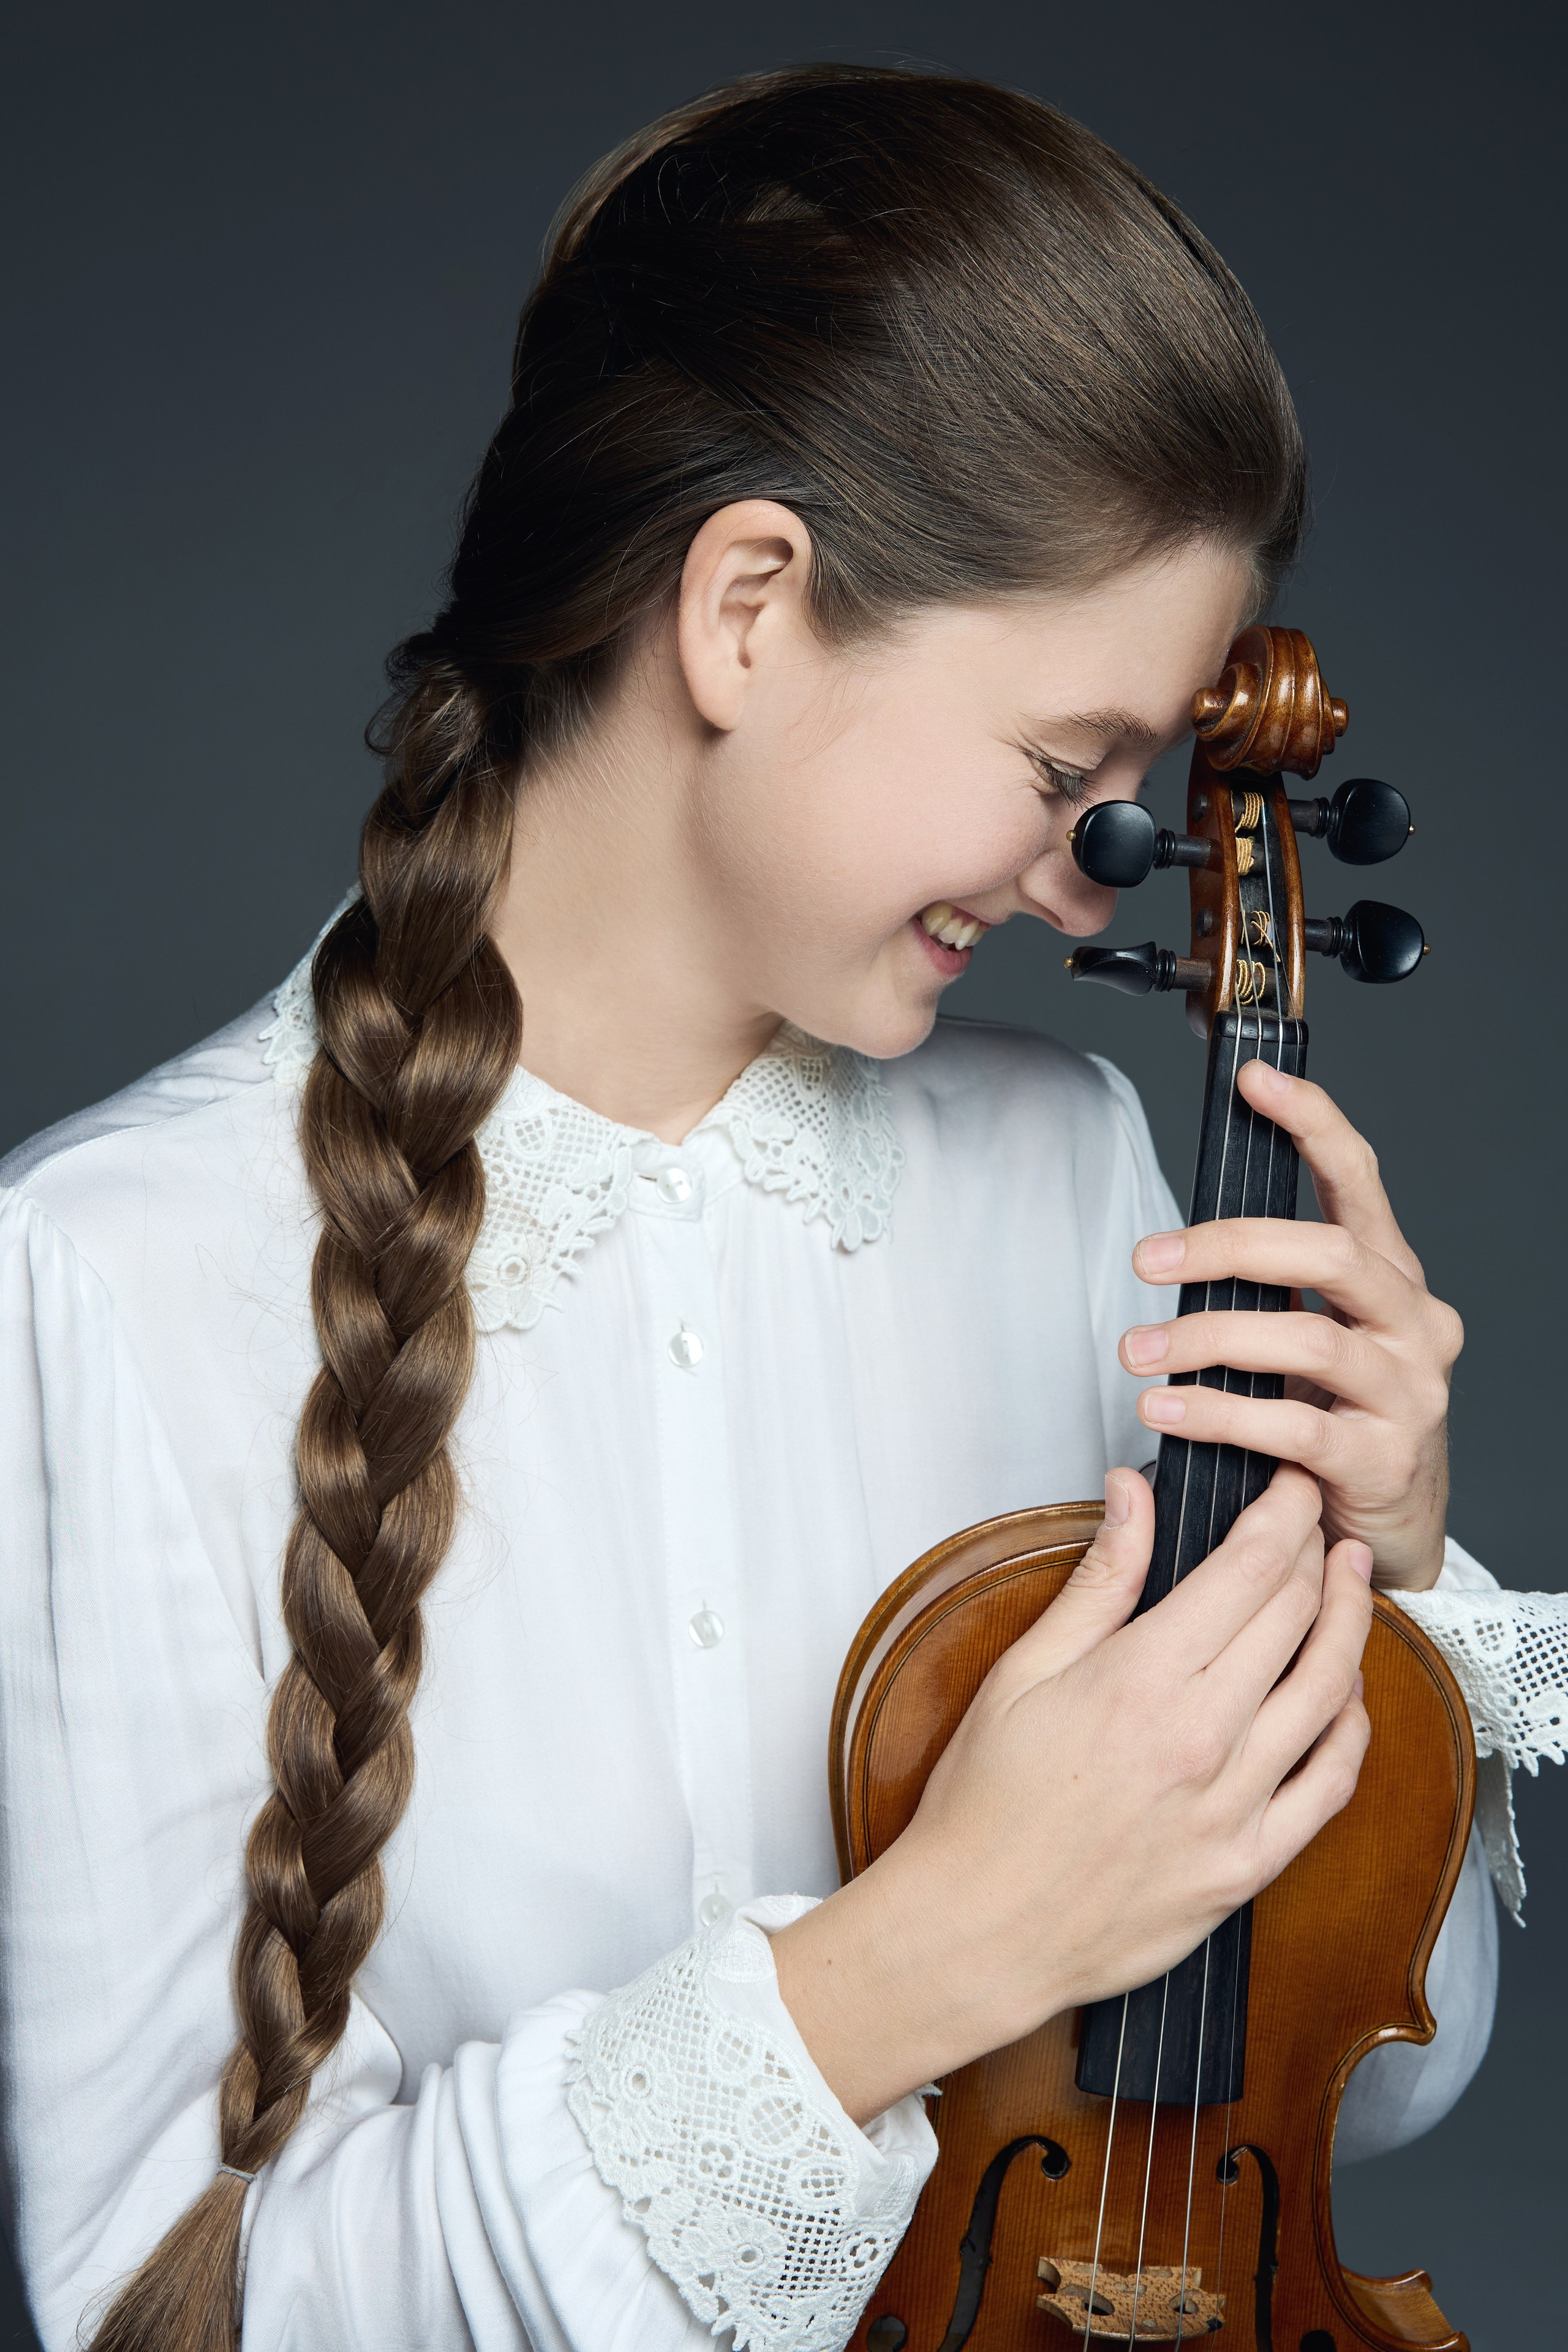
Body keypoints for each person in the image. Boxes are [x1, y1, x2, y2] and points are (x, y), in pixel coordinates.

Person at [2, 63, 1562, 2352]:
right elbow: (166, 2313)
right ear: (747, 608)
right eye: (1070, 773)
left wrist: (1381, 1568)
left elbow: (1366, 2091)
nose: (1090, 886)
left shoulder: (1071, 1176)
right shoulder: (112, 1278)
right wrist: (922, 1954)